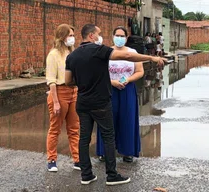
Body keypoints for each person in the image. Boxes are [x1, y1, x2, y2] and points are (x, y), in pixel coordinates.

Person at [65, 24, 166, 186]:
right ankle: (112, 175)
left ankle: (86, 175)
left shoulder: (72, 56)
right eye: (98, 34)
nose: (100, 37)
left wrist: (84, 83)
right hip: (100, 101)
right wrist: (151, 58)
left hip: (83, 102)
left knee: (84, 138)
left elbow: (68, 81)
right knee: (109, 135)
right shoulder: (99, 51)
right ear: (91, 36)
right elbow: (126, 57)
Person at [96, 26, 144, 163]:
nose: (119, 38)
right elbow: (99, 73)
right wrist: (112, 82)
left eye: (122, 36)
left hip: (127, 89)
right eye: (117, 35)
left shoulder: (132, 52)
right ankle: (104, 151)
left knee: (127, 119)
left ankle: (127, 151)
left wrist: (127, 79)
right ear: (112, 36)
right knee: (106, 120)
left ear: (126, 38)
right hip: (108, 89)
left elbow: (139, 71)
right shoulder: (106, 52)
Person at [45, 24, 80, 172]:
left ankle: (77, 159)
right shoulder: (53, 54)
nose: (72, 38)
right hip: (59, 92)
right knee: (55, 129)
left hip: (73, 91)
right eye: (69, 35)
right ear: (62, 36)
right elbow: (51, 80)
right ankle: (51, 159)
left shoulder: (72, 53)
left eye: (73, 35)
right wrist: (56, 102)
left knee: (74, 128)